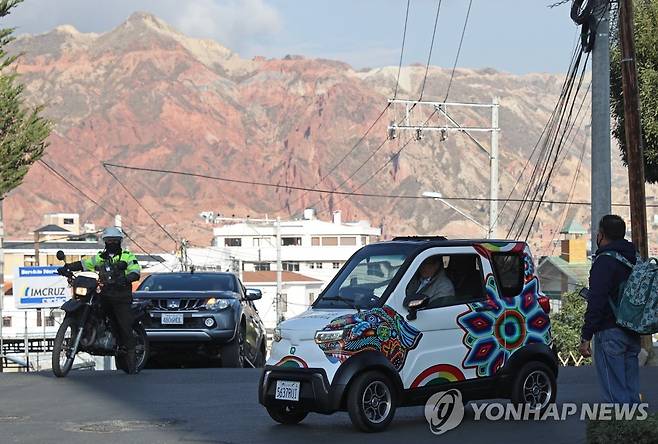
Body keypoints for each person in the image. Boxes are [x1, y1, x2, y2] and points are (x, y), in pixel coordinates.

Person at [60, 227, 142, 374]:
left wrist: (126, 278)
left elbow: (135, 272)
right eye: (108, 240)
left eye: (114, 240)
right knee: (91, 310)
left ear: (119, 241)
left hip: (121, 296)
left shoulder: (127, 256)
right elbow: (84, 264)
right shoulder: (100, 257)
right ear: (104, 241)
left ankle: (131, 357)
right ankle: (85, 337)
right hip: (104, 294)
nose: (111, 243)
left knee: (124, 324)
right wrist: (67, 267)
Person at [579, 215, 641, 404]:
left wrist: (586, 336)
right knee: (631, 395)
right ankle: (635, 431)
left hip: (610, 332)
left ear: (602, 235)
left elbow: (597, 301)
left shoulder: (604, 262)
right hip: (632, 332)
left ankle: (618, 431)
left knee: (615, 398)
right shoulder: (635, 258)